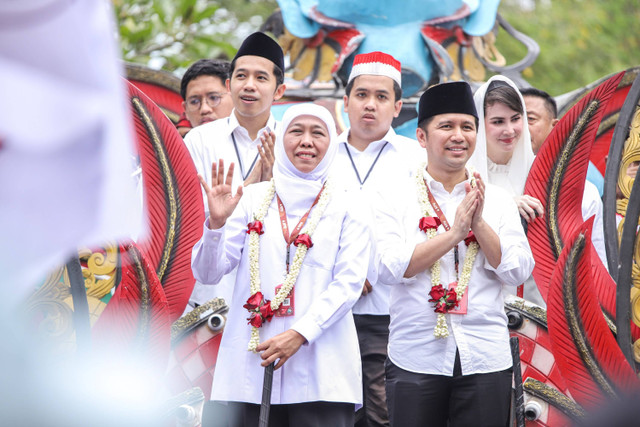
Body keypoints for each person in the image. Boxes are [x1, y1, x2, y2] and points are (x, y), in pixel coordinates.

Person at [191, 103, 371, 427]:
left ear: (331, 143)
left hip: (321, 370)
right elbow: (207, 272)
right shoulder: (250, 199)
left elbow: (349, 283)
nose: (306, 141)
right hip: (250, 366)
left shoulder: (349, 202)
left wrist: (300, 333)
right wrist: (215, 226)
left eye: (318, 132)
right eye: (296, 131)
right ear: (279, 139)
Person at [375, 81, 534, 427]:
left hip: (485, 356)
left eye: (467, 127)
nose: (459, 136)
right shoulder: (393, 195)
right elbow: (389, 268)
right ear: (421, 137)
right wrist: (455, 234)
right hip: (415, 357)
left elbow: (517, 270)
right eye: (446, 126)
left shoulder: (498, 199)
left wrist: (480, 225)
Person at [331, 50, 423, 427]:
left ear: (398, 106)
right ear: (346, 101)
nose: (370, 105)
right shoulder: (321, 154)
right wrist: (349, 272)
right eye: (362, 95)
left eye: (382, 97)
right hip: (329, 313)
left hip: (392, 312)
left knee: (383, 414)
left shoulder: (416, 157)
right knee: (331, 412)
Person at [183, 32, 285, 312]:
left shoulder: (292, 140)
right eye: (241, 76)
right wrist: (253, 188)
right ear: (230, 85)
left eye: (261, 78)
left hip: (273, 289)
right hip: (213, 290)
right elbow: (192, 217)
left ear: (279, 91)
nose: (249, 85)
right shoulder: (200, 140)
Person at [521, 87, 609, 272]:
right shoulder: (485, 182)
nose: (518, 127)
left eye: (530, 119)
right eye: (514, 118)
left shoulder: (585, 190)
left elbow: (598, 259)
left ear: (555, 126)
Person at [178, 59, 234, 137]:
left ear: (235, 99)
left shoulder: (255, 143)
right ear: (185, 110)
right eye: (194, 102)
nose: (204, 109)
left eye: (214, 98)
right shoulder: (180, 147)